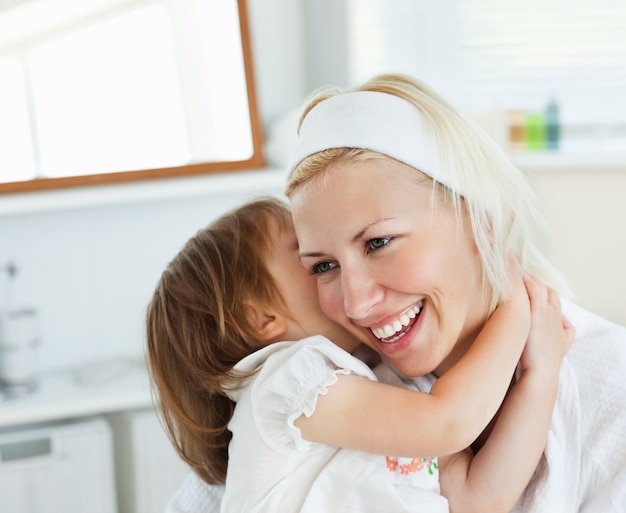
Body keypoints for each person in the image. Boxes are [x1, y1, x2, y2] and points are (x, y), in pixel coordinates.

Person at [283, 73, 626, 512]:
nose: (356, 303)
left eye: (379, 243)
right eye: (324, 266)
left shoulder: (608, 393)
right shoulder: (336, 383)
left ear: (478, 219)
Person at [146, 196, 572, 513]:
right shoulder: (285, 383)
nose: (330, 259)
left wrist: (541, 374)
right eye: (313, 258)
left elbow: (476, 499)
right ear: (261, 318)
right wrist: (516, 308)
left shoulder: (372, 385)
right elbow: (450, 420)